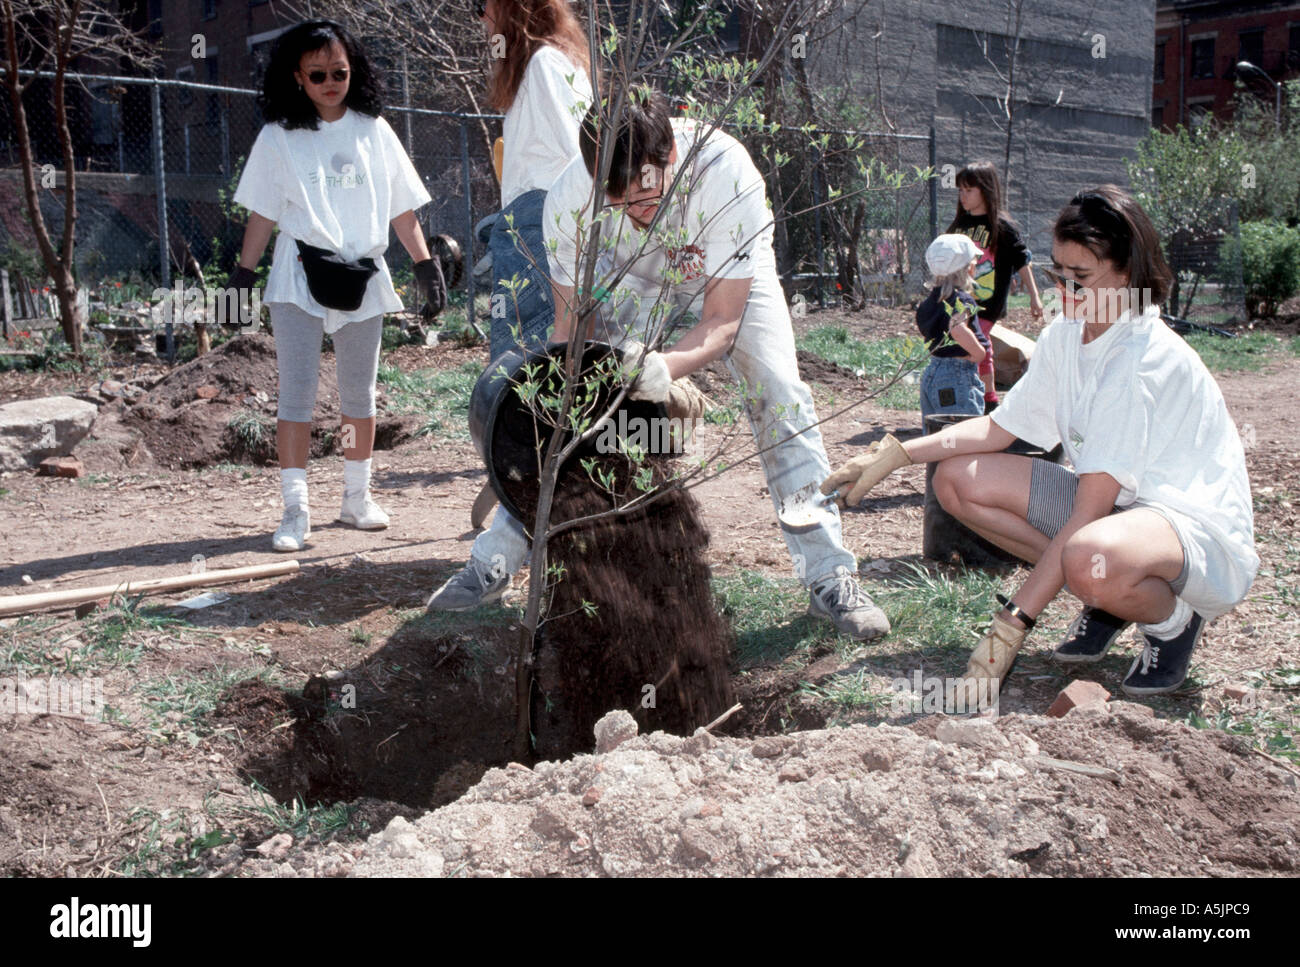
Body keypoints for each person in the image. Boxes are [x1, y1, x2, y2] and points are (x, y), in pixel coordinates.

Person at [823, 185, 1258, 701]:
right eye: (1058, 274)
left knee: (1086, 551)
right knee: (958, 480)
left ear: (1127, 273)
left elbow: (1088, 514)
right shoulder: (1067, 334)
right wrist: (896, 454)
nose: (1064, 293)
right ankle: (1107, 596)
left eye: (1081, 279)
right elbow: (1002, 428)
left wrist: (1010, 627)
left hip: (1189, 528)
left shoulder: (1138, 359)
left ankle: (1172, 620)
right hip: (1121, 511)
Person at [538, 89, 890, 640]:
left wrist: (664, 366)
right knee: (617, 411)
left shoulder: (724, 172)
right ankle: (619, 575)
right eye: (619, 202)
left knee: (779, 394)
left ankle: (829, 574)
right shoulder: (568, 202)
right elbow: (570, 329)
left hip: (723, 271)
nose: (636, 212)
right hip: (632, 279)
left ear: (671, 150)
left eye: (647, 193)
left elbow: (723, 323)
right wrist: (572, 400)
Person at [227, 20, 444, 552]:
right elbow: (262, 213)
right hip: (299, 274)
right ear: (297, 77)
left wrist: (424, 263)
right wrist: (242, 276)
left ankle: (355, 497)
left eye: (339, 72)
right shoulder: (279, 136)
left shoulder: (374, 130)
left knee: (359, 396)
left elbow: (402, 207)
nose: (330, 81)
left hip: (364, 276)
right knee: (296, 396)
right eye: (317, 73)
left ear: (355, 71)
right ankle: (295, 509)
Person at [426, 0, 593, 610]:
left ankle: (516, 528)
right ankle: (530, 511)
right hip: (535, 222)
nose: (480, 19)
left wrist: (538, 230)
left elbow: (582, 162)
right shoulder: (551, 65)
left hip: (542, 227)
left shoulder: (545, 66)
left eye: (485, 6)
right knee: (534, 385)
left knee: (523, 385)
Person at [946, 162, 1044, 411]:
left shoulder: (1003, 228)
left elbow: (1023, 261)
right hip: (959, 301)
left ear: (986, 190)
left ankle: (987, 400)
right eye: (960, 191)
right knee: (964, 348)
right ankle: (972, 395)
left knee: (979, 345)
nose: (963, 196)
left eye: (969, 190)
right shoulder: (959, 227)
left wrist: (1035, 297)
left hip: (987, 304)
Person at [916, 234, 989, 424]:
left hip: (932, 371)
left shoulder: (930, 301)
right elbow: (957, 328)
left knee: (938, 435)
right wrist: (979, 353)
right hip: (958, 374)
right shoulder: (962, 299)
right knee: (962, 435)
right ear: (969, 268)